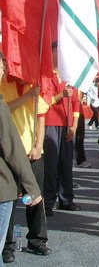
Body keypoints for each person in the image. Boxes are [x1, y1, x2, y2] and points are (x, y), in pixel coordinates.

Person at [0, 56, 51, 262]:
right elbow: (5, 110)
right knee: (8, 198)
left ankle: (37, 239)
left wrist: (39, 145)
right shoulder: (4, 85)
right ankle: (7, 245)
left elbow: (41, 117)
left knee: (36, 197)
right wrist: (27, 96)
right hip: (10, 152)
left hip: (33, 150)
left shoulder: (34, 86)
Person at [43, 42, 81, 216]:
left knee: (66, 164)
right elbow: (44, 102)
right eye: (56, 52)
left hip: (67, 124)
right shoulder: (45, 75)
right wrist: (61, 95)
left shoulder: (69, 75)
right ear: (51, 53)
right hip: (50, 123)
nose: (60, 55)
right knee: (50, 165)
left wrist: (74, 124)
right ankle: (48, 202)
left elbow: (76, 102)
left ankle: (66, 199)